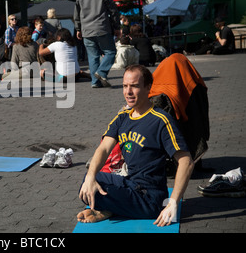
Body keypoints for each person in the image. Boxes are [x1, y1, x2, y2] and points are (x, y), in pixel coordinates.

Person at [77, 65, 194, 226]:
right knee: (87, 182)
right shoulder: (123, 116)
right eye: (125, 86)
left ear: (148, 88)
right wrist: (90, 177)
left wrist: (173, 201)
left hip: (150, 197)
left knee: (95, 194)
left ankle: (110, 208)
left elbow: (186, 161)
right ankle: (112, 208)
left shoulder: (160, 120)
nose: (128, 92)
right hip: (131, 184)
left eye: (135, 86)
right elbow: (104, 148)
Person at [74, 0, 120, 88]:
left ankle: (95, 82)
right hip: (102, 29)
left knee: (93, 56)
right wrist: (117, 27)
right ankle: (102, 72)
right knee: (110, 52)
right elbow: (114, 12)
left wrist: (78, 29)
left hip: (86, 31)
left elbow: (77, 15)